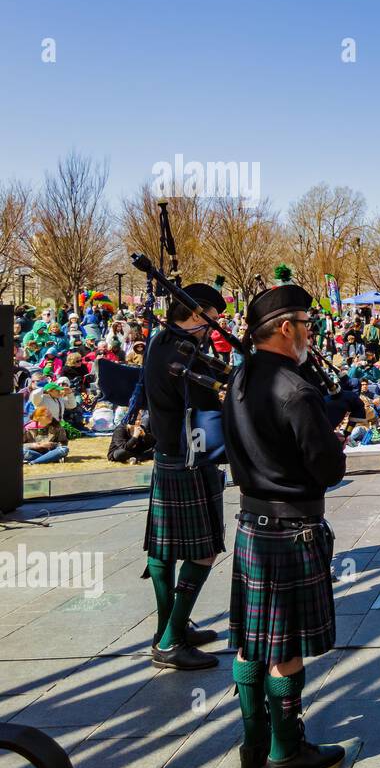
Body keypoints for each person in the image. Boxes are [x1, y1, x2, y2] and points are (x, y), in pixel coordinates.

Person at [223, 282, 348, 768]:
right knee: (286, 648)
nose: (310, 334)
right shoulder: (296, 390)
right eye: (307, 325)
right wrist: (335, 431)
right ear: (284, 328)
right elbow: (327, 469)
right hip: (291, 530)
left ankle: (253, 741)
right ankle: (286, 750)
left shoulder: (238, 380)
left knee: (250, 641)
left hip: (252, 524)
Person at [141, 282, 228, 672]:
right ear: (196, 314)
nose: (214, 328)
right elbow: (212, 408)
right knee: (202, 551)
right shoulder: (187, 353)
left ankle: (168, 628)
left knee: (163, 549)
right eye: (211, 319)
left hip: (167, 453)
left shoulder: (160, 341)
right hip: (190, 457)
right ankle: (171, 639)